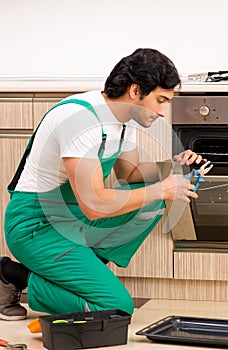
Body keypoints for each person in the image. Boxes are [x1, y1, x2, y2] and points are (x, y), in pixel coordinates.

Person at [0, 48, 203, 321]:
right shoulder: (81, 121)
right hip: (36, 226)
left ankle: (78, 272)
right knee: (116, 308)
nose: (163, 112)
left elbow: (131, 174)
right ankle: (13, 275)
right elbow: (94, 204)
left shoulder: (121, 119)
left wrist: (174, 166)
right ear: (135, 90)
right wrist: (161, 188)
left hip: (70, 217)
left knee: (152, 199)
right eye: (160, 100)